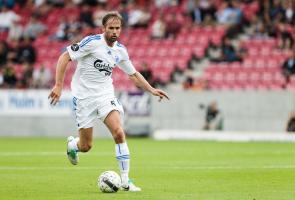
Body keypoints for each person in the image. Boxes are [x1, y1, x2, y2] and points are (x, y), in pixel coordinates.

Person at [48, 12, 169, 192]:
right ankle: (73, 145)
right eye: (110, 28)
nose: (114, 31)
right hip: (84, 98)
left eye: (117, 28)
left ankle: (126, 181)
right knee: (86, 146)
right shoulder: (92, 42)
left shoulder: (120, 50)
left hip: (105, 96)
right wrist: (58, 85)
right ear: (103, 29)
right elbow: (65, 57)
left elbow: (133, 74)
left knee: (119, 133)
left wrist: (151, 89)